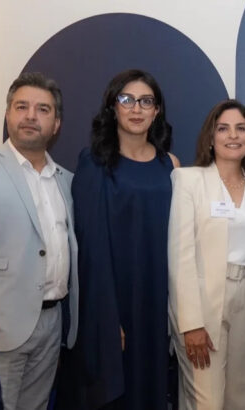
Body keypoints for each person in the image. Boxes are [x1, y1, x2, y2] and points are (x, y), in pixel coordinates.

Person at [70, 69, 180, 409]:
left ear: (156, 111)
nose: (136, 108)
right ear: (112, 106)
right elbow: (91, 249)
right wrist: (106, 317)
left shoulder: (171, 165)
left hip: (158, 300)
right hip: (113, 300)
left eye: (146, 101)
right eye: (127, 99)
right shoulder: (94, 163)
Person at [168, 100, 245, 409]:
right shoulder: (188, 180)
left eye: (241, 128)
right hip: (203, 306)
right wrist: (190, 324)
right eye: (223, 128)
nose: (233, 135)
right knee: (206, 402)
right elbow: (180, 256)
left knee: (239, 399)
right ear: (210, 138)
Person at [0, 72, 78, 410]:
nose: (31, 116)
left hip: (52, 324)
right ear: (7, 115)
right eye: (21, 107)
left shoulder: (67, 181)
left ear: (56, 124)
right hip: (1, 328)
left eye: (43, 109)